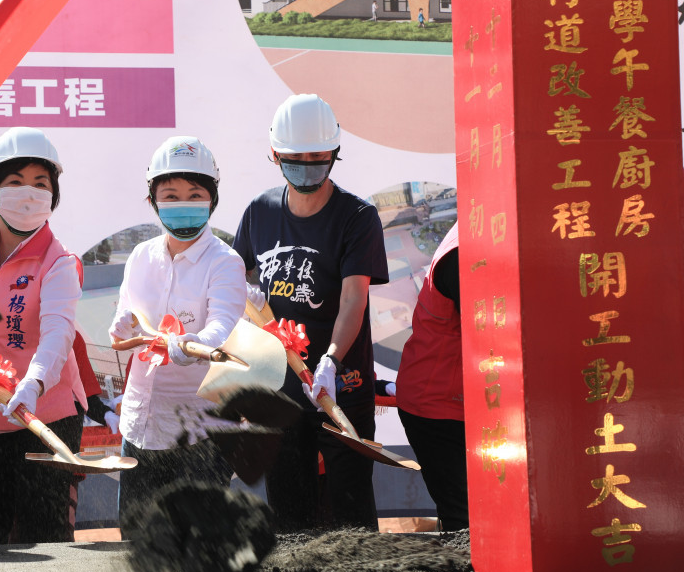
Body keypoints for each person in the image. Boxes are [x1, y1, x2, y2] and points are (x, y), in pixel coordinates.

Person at [233, 94, 389, 529]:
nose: (307, 166)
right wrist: (249, 297)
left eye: (318, 157)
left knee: (350, 500)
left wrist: (331, 361)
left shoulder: (357, 217)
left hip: (341, 381)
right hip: (279, 384)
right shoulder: (260, 213)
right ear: (274, 155)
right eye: (294, 158)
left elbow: (353, 299)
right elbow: (239, 275)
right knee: (288, 502)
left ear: (335, 153)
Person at [0, 127, 85, 545]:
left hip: (42, 413)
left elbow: (58, 331)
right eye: (15, 182)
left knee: (44, 536)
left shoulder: (59, 262)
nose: (28, 194)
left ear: (53, 196)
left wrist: (34, 382)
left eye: (41, 184)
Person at [109, 137, 245, 534]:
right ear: (152, 200)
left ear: (212, 200)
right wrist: (125, 323)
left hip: (201, 434)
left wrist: (190, 346)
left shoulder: (224, 261)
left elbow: (223, 325)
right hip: (141, 425)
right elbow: (128, 310)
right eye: (170, 194)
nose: (183, 202)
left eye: (194, 193)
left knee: (198, 546)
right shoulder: (140, 257)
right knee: (139, 541)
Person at [394, 224, 467, 531]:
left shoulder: (475, 235)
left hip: (454, 401)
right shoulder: (462, 253)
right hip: (437, 404)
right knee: (464, 519)